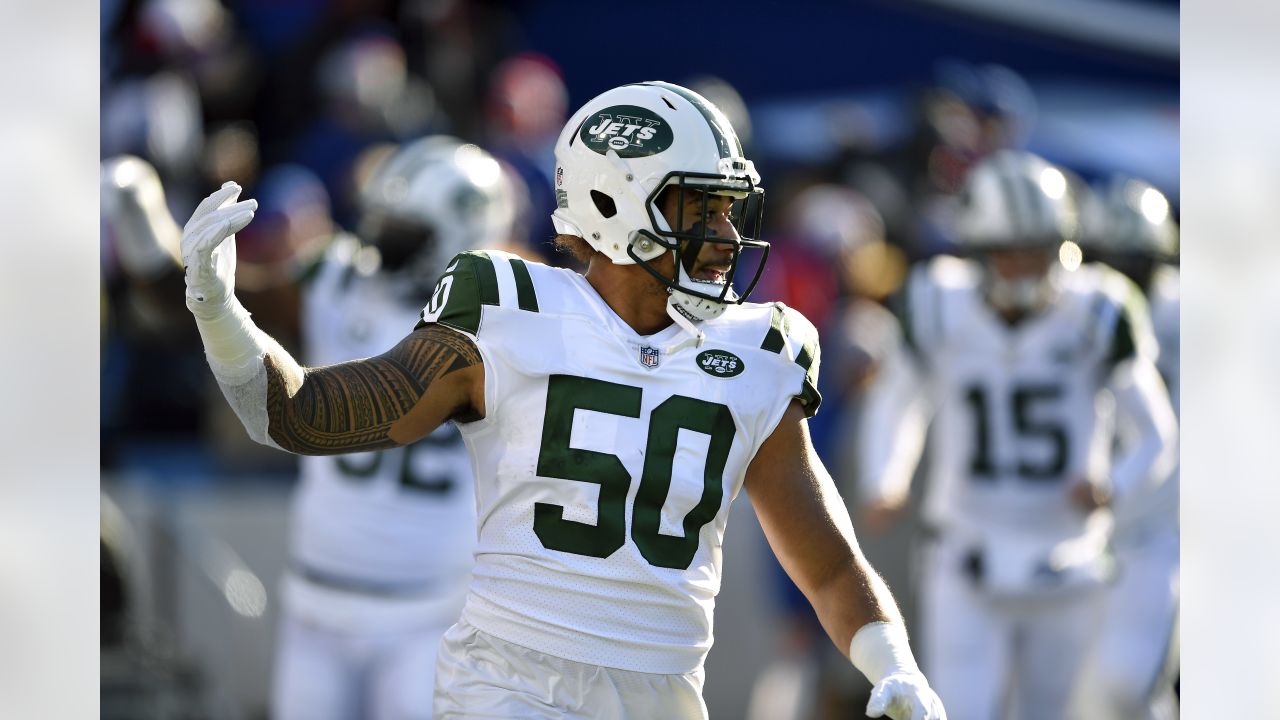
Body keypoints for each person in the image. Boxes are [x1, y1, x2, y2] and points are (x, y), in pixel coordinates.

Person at [180, 80, 946, 720]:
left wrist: (895, 665)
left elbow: (831, 568)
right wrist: (222, 313)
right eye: (699, 209)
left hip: (664, 693)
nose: (724, 235)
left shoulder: (759, 350)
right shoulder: (504, 308)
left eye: (727, 210)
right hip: (509, 685)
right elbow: (302, 415)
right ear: (614, 206)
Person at [857, 151, 1177, 720]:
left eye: (1040, 245)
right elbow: (898, 400)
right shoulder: (937, 302)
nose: (1028, 263)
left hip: (1067, 559)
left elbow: (1155, 431)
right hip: (966, 553)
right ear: (979, 250)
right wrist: (888, 477)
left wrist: (1115, 485)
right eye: (1013, 249)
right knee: (958, 710)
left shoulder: (1097, 308)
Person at [271, 136, 517, 720]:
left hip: (427, 614)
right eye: (384, 222)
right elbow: (234, 304)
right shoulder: (335, 277)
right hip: (313, 599)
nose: (381, 243)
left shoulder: (505, 320)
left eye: (406, 231)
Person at [1069, 177, 1180, 720]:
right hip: (1077, 529)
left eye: (1136, 263)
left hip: (1161, 530)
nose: (1123, 277)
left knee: (1126, 686)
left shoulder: (1190, 310)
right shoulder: (1075, 307)